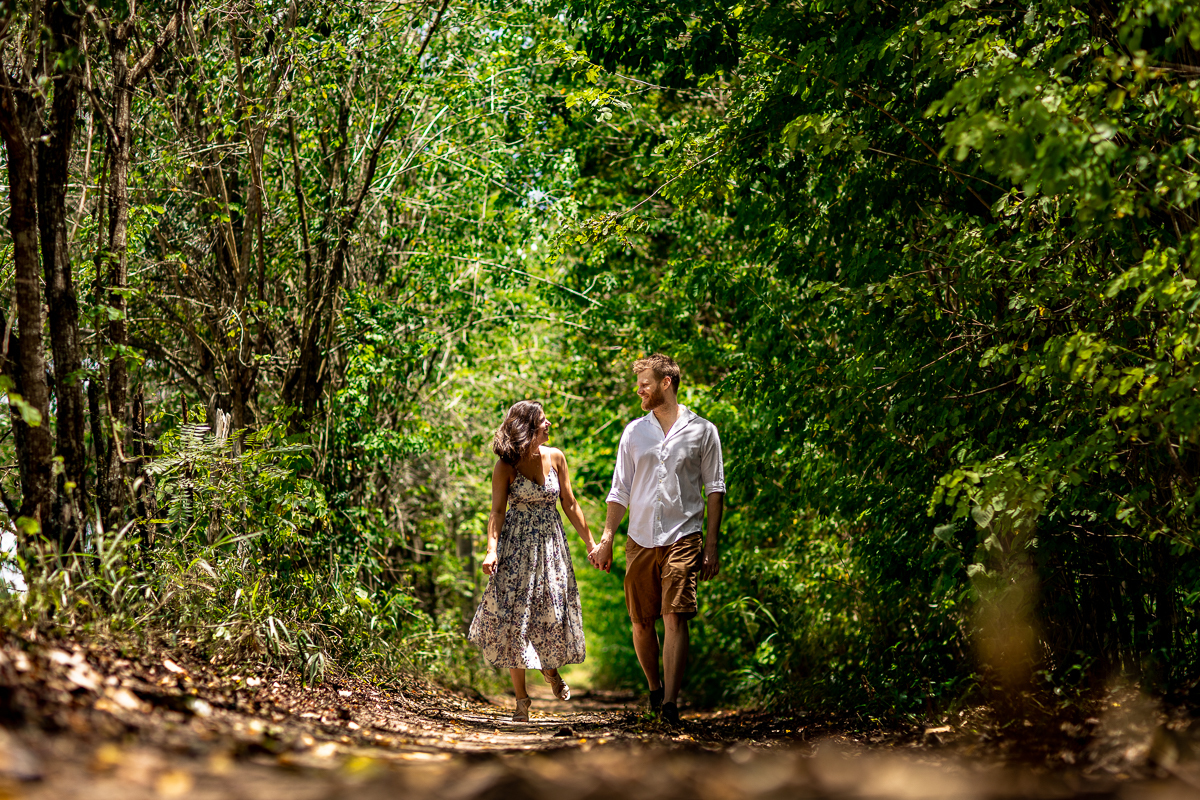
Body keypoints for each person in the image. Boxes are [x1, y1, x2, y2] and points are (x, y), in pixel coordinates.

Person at [589, 354, 725, 726]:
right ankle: (653, 688)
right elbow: (620, 490)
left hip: (684, 535)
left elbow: (715, 490)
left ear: (666, 382)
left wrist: (710, 546)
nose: (639, 390)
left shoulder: (703, 431)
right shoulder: (635, 431)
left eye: (645, 383)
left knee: (675, 616)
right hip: (640, 538)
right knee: (641, 621)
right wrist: (606, 538)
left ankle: (670, 704)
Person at [468, 400, 597, 722]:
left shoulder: (556, 457)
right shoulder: (505, 465)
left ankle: (550, 671)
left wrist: (591, 543)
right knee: (515, 619)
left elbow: (570, 503)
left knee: (550, 612)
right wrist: (491, 549)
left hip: (551, 546)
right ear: (528, 426)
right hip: (515, 547)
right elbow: (497, 511)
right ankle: (521, 701)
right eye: (543, 419)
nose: (549, 422)